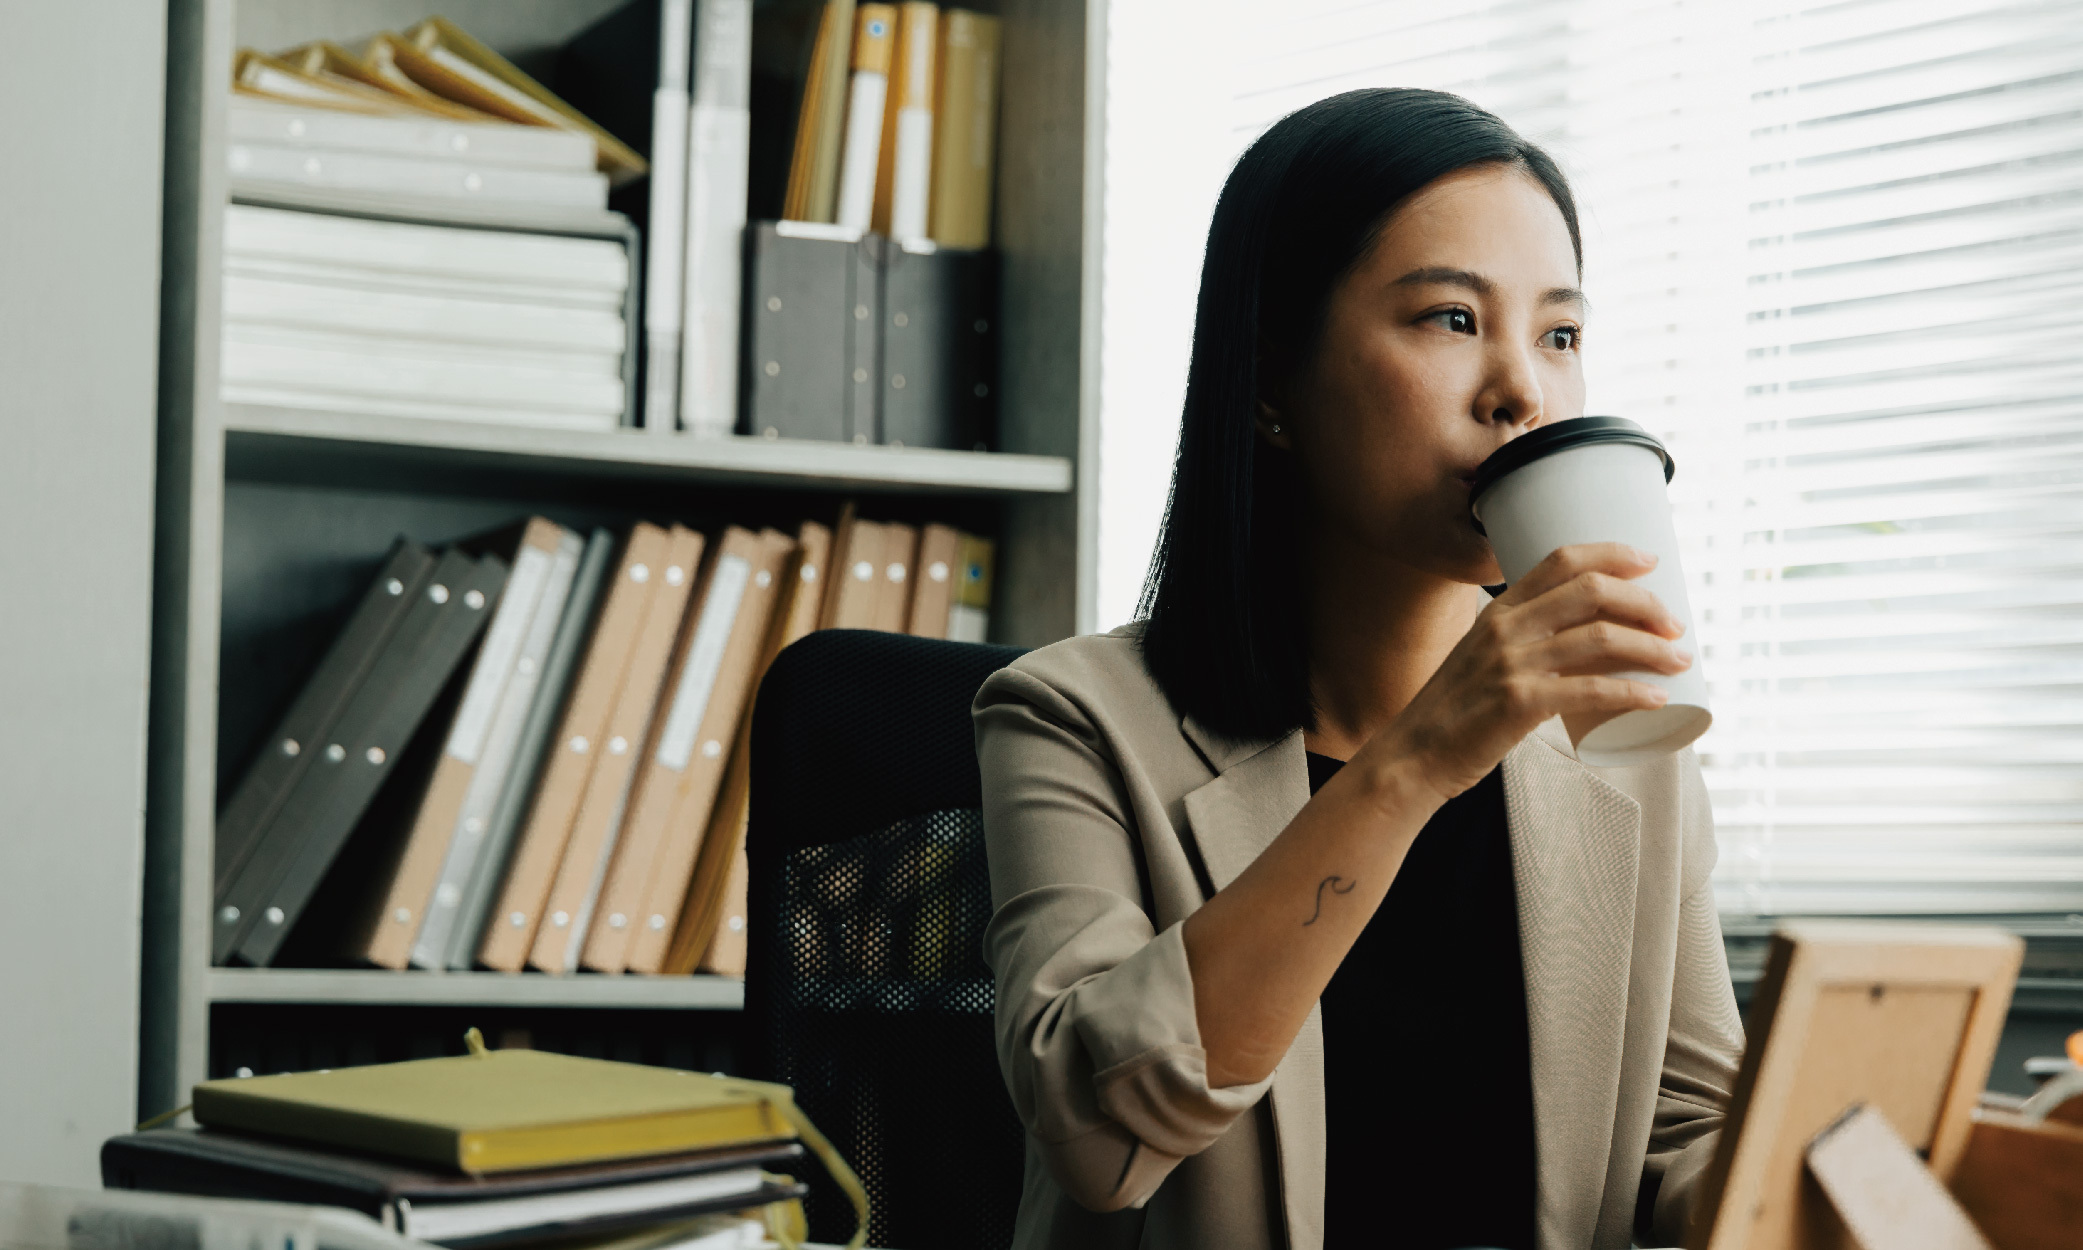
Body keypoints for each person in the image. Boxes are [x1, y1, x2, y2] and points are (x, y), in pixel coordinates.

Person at [973, 88, 1744, 1250]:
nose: (1520, 391)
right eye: (1447, 319)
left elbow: (1677, 1137)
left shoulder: (1625, 752)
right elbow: (1094, 1136)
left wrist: (1861, 1163)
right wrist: (1417, 762)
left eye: (1559, 333)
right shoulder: (1070, 717)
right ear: (1272, 382)